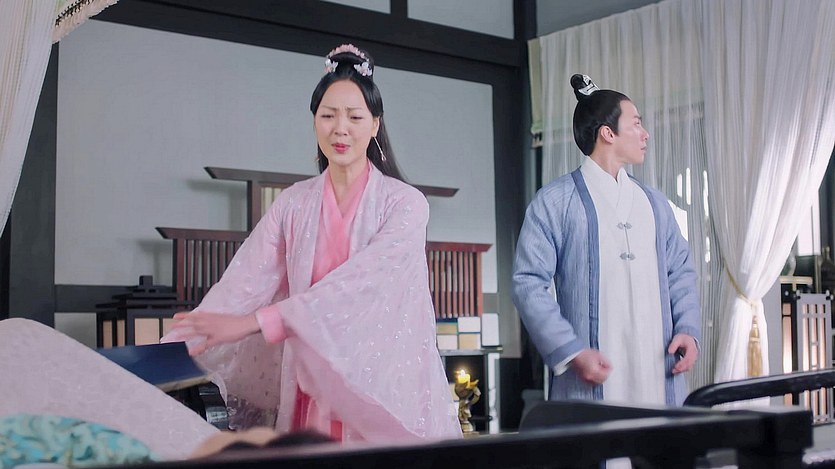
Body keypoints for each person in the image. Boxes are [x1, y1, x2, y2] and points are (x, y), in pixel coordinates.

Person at [162, 44, 462, 443]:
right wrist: (170, 349)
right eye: (328, 115)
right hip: (310, 381)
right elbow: (243, 284)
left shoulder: (405, 204)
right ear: (315, 121)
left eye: (355, 116)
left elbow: (358, 287)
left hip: (380, 383)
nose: (340, 128)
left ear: (375, 125)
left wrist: (257, 323)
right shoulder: (293, 204)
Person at [512, 74, 701, 407]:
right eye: (636, 124)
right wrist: (571, 350)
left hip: (658, 367)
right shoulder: (555, 202)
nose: (645, 134)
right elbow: (528, 282)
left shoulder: (655, 204)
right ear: (608, 133)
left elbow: (681, 271)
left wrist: (687, 328)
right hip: (591, 373)